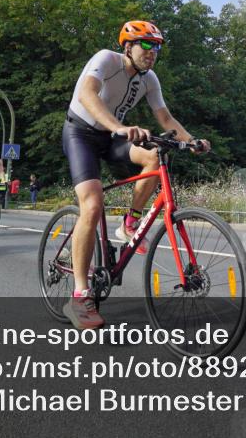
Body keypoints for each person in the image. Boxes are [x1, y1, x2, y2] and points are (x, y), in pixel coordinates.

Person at [61, 20, 210, 329]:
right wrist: (119, 127)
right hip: (80, 133)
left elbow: (165, 118)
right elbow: (88, 94)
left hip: (112, 136)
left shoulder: (149, 79)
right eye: (147, 45)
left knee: (155, 156)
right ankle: (79, 296)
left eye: (157, 48)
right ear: (128, 46)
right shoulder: (106, 59)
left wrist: (192, 140)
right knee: (92, 204)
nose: (152, 53)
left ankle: (130, 222)